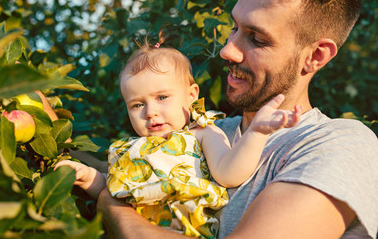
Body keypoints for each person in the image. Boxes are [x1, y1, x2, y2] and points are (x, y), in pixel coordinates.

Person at [95, 0, 378, 238]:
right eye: (234, 27)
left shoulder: (339, 144)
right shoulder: (201, 131)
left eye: (256, 38)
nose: (227, 50)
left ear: (315, 56)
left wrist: (112, 207)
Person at [56, 41, 301, 237]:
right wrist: (89, 178)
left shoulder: (202, 132)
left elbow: (229, 173)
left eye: (162, 97)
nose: (150, 112)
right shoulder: (129, 149)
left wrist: (256, 133)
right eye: (138, 104)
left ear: (191, 94)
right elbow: (113, 191)